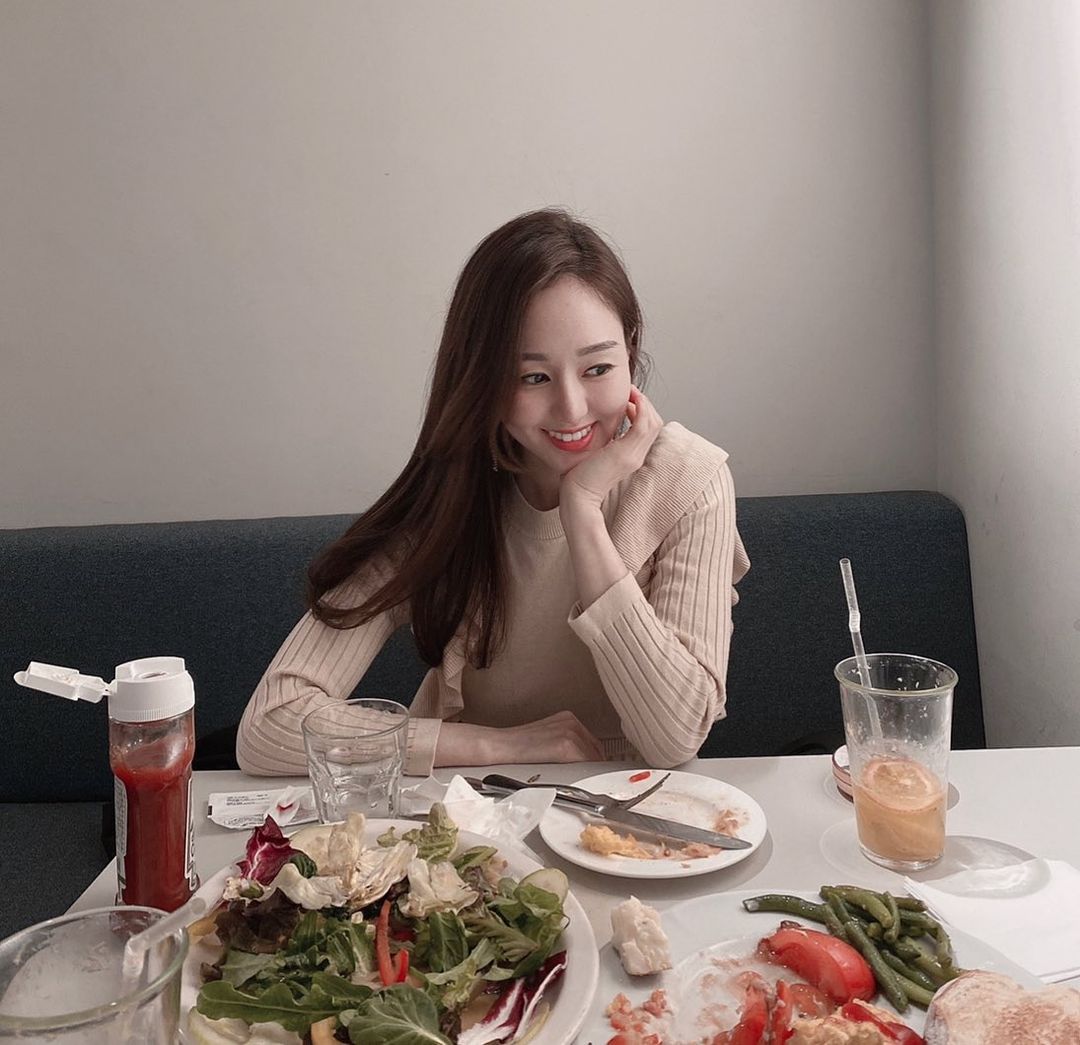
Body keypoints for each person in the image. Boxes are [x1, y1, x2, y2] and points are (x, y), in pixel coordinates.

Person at [237, 208, 750, 777]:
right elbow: (268, 727)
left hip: (632, 814)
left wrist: (582, 510)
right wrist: (500, 745)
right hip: (470, 809)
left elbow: (675, 738)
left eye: (598, 368)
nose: (572, 409)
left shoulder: (689, 481)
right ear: (484, 380)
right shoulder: (453, 495)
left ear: (630, 351)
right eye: (533, 377)